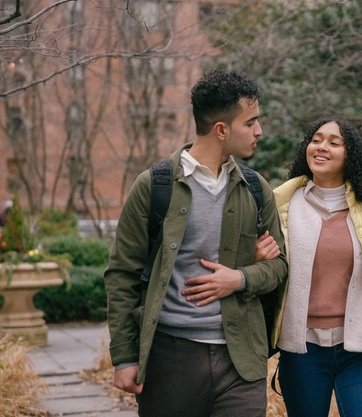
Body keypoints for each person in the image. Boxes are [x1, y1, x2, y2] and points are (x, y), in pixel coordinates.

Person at [104, 69, 288, 417]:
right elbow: (122, 274)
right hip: (170, 360)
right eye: (251, 123)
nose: (259, 131)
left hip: (241, 361)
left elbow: (279, 266)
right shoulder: (154, 186)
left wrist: (240, 278)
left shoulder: (255, 187)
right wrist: (125, 356)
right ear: (221, 129)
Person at [270, 119, 362, 417]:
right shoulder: (283, 206)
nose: (322, 147)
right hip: (302, 351)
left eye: (334, 143)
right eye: (316, 139)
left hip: (359, 353)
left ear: (350, 156)